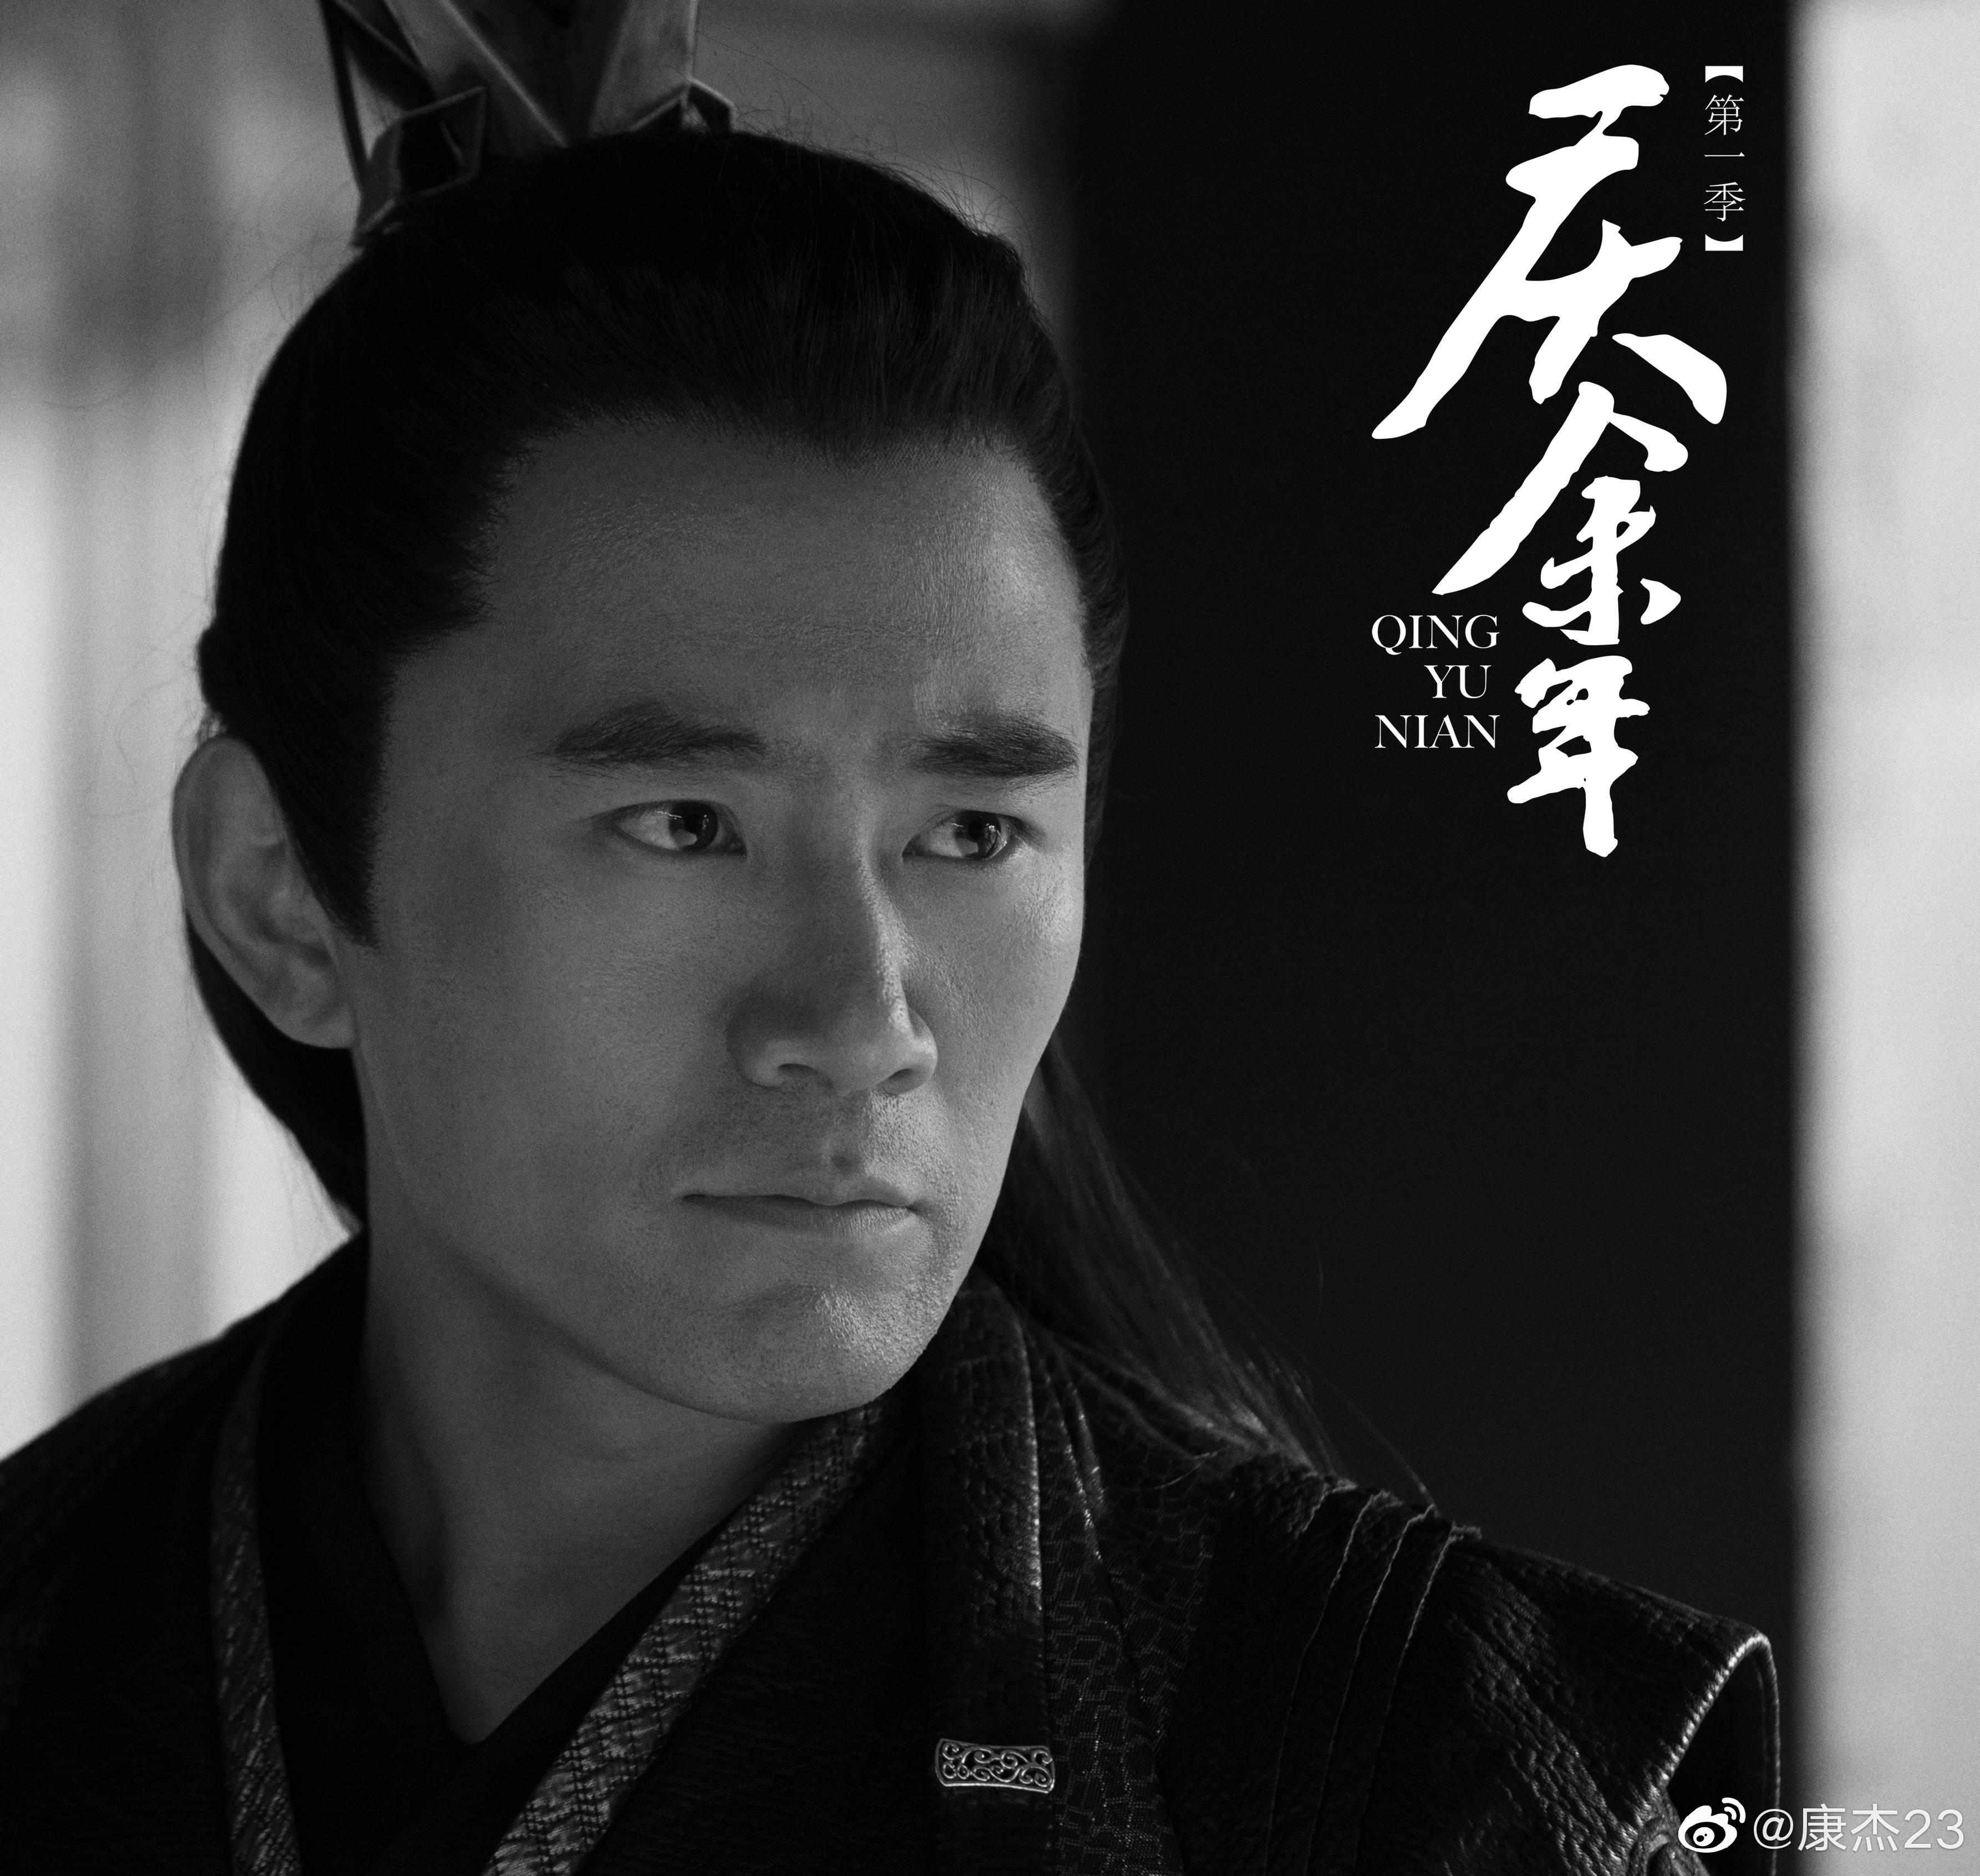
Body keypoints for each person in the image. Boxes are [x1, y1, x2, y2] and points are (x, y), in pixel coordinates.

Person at [0, 4, 1775, 1870]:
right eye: (682, 825)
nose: (859, 1019)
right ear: (280, 889)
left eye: (971, 833)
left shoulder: (1444, 1776)